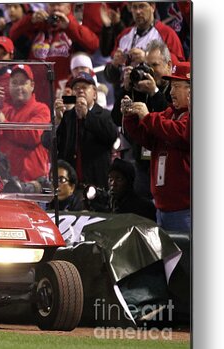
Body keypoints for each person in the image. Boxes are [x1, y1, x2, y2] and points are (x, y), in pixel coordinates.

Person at [121, 62, 190, 233]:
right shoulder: (169, 114)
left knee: (186, 258)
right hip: (161, 207)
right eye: (172, 86)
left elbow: (181, 133)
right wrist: (131, 117)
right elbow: (147, 138)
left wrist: (147, 117)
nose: (172, 92)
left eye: (177, 86)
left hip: (185, 210)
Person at [9, 2, 99, 103]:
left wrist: (69, 26)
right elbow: (11, 35)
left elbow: (93, 44)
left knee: (65, 115)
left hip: (65, 94)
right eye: (52, 5)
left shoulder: (74, 27)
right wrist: (30, 20)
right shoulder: (38, 26)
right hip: (36, 94)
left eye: (59, 4)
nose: (55, 8)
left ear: (68, 7)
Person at [0, 65, 51, 183]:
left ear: (32, 85)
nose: (18, 87)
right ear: (9, 86)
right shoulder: (4, 110)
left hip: (32, 184)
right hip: (5, 182)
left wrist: (4, 123)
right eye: (14, 83)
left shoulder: (41, 109)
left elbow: (33, 135)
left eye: (23, 83)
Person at [54, 72, 119, 189]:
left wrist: (87, 115)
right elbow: (50, 144)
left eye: (84, 87)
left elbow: (111, 136)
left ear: (94, 93)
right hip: (69, 185)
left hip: (96, 183)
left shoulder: (105, 115)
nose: (80, 91)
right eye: (76, 88)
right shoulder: (66, 116)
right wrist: (57, 121)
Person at [103, 1, 185, 89]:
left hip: (155, 93)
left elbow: (179, 69)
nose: (138, 11)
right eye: (134, 7)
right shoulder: (124, 35)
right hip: (127, 93)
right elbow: (110, 78)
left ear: (152, 7)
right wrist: (114, 65)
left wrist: (147, 59)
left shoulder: (166, 33)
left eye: (142, 6)